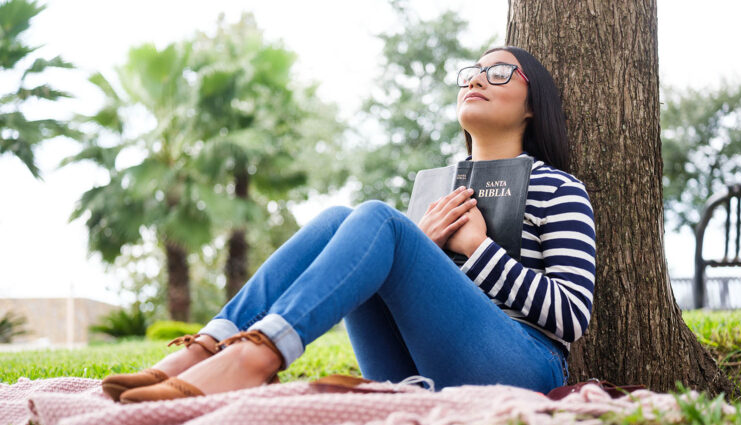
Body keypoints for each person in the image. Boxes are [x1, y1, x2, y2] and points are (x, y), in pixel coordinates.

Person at [102, 46, 596, 404]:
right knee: (342, 219)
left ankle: (258, 356)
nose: (476, 79)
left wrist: (479, 249)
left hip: (522, 366)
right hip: (411, 373)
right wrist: (419, 247)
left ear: (533, 105)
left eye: (500, 72)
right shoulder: (437, 191)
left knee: (380, 219)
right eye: (471, 72)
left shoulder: (557, 188)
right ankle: (211, 345)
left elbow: (572, 318)